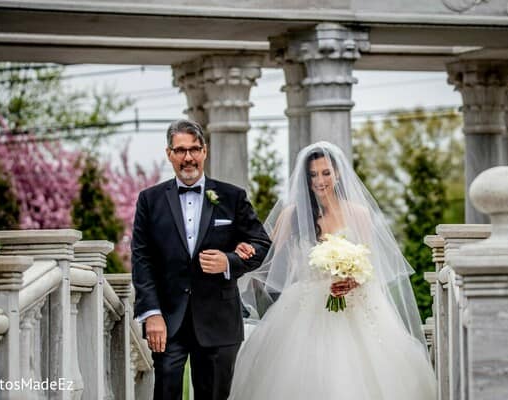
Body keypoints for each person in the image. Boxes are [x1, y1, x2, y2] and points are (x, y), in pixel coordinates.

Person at [229, 141, 436, 400]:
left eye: (326, 173)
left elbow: (370, 265)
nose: (320, 180)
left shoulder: (358, 214)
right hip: (304, 304)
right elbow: (264, 253)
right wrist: (242, 250)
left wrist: (354, 280)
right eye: (313, 174)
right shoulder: (291, 215)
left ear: (337, 174)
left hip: (354, 304)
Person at [131, 119, 271, 400]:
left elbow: (262, 243)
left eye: (194, 149)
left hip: (219, 321)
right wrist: (151, 313)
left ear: (205, 151)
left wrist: (230, 261)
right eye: (180, 150)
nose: (188, 158)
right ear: (169, 154)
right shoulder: (150, 200)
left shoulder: (232, 197)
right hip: (168, 320)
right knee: (166, 392)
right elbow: (141, 258)